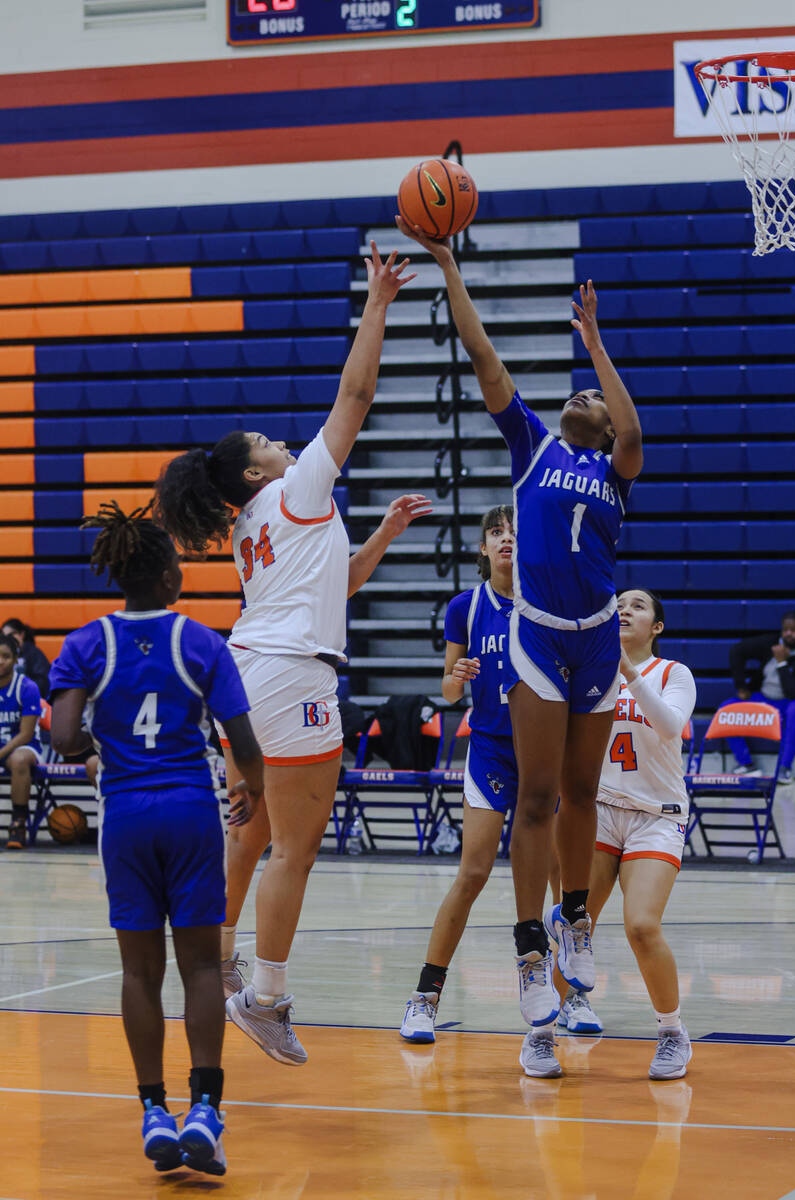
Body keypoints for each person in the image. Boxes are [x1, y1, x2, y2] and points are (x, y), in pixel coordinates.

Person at [154, 242, 424, 1066]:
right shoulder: (296, 488)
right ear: (252, 469)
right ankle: (264, 996)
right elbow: (357, 392)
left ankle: (217, 956)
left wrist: (379, 535)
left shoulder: (249, 529)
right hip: (291, 678)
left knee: (253, 833)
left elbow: (330, 591)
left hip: (247, 674)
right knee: (292, 849)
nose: (283, 442)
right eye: (269, 441)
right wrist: (376, 301)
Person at [397, 216, 643, 1078]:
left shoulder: (617, 466)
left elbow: (633, 431)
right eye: (577, 388)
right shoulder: (533, 444)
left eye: (591, 398)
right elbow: (481, 353)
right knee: (536, 798)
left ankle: (577, 922)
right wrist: (444, 261)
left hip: (596, 640)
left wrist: (598, 345)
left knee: (583, 790)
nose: (579, 394)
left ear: (604, 424)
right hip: (539, 636)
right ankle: (532, 952)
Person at [48, 501, 265, 1177]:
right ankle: (204, 1107)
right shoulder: (201, 642)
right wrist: (251, 787)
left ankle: (152, 1110)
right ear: (170, 576)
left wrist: (97, 741)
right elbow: (244, 741)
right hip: (190, 810)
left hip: (125, 817)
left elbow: (61, 739)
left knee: (140, 971)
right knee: (202, 966)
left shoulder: (85, 644)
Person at [399, 505, 559, 1044]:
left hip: (541, 752)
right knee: (472, 872)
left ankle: (569, 992)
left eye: (515, 530)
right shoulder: (466, 608)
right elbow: (447, 689)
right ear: (483, 550)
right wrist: (457, 676)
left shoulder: (547, 605)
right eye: (497, 532)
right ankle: (424, 997)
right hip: (490, 749)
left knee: (559, 875)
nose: (507, 538)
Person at [552, 588, 696, 1081]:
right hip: (599, 810)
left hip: (657, 814)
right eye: (620, 605)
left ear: (656, 627)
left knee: (641, 926)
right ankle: (542, 1033)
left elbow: (671, 724)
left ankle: (673, 1032)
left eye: (638, 606)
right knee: (573, 926)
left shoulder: (673, 673)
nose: (625, 610)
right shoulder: (587, 673)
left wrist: (627, 672)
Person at [727, 609, 795, 783]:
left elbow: (794, 692)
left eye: (793, 630)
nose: (788, 634)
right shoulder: (771, 643)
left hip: (788, 703)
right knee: (727, 708)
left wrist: (782, 663)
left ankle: (784, 768)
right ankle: (747, 765)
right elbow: (737, 651)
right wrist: (741, 686)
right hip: (765, 698)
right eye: (785, 630)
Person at [0, 632, 43, 850]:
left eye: (5, 656)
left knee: (18, 760)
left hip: (24, 746)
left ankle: (18, 823)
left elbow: (25, 734)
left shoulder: (27, 687)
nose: (0, 661)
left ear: (16, 659)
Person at [2, 618, 50, 697]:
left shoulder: (33, 653)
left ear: (22, 634)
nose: (8, 639)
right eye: (5, 636)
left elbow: (43, 682)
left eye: (11, 634)